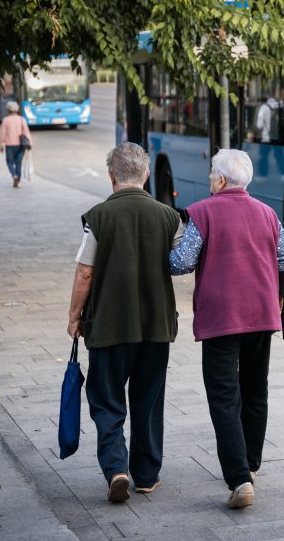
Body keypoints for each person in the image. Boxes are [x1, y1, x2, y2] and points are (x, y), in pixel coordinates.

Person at [169, 149, 284, 509]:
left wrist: (165, 249)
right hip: (262, 314)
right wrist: (281, 299)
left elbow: (181, 263)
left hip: (222, 318)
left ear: (221, 180)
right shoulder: (268, 213)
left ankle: (239, 479)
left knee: (224, 397)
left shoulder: (204, 212)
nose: (210, 179)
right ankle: (251, 463)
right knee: (255, 390)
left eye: (212, 174)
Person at [66, 142, 182, 504]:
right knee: (148, 400)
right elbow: (179, 263)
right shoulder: (169, 217)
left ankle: (117, 468)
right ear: (146, 175)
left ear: (111, 176)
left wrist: (74, 316)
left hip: (109, 327)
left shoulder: (99, 216)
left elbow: (86, 272)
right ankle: (146, 475)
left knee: (106, 398)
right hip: (156, 326)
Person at [0, 101, 32, 187]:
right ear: (17, 109)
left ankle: (14, 175)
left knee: (9, 162)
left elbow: (3, 134)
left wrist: (1, 144)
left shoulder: (5, 120)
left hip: (9, 145)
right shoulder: (21, 119)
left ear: (8, 110)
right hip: (21, 145)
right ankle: (18, 181)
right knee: (18, 163)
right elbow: (26, 132)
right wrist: (30, 143)